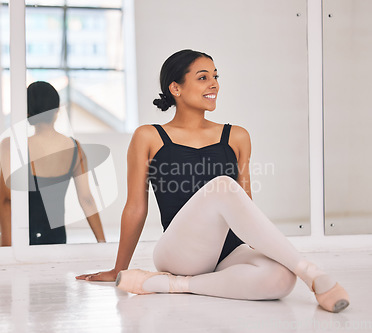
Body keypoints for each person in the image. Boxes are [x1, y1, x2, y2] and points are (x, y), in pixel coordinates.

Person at [76, 50, 349, 313]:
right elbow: (136, 208)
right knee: (222, 186)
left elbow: (246, 208)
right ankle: (310, 272)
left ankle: (175, 284)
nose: (214, 84)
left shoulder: (237, 136)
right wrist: (118, 268)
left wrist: (269, 255)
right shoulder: (149, 137)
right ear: (176, 88)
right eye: (203, 77)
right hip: (179, 253)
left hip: (227, 252)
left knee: (280, 279)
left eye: (216, 77)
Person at [0, 81, 106, 246]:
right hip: (57, 239)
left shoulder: (10, 146)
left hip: (23, 240)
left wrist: (7, 251)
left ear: (27, 112)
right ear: (57, 111)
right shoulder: (76, 149)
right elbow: (86, 199)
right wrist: (102, 243)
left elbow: (6, 202)